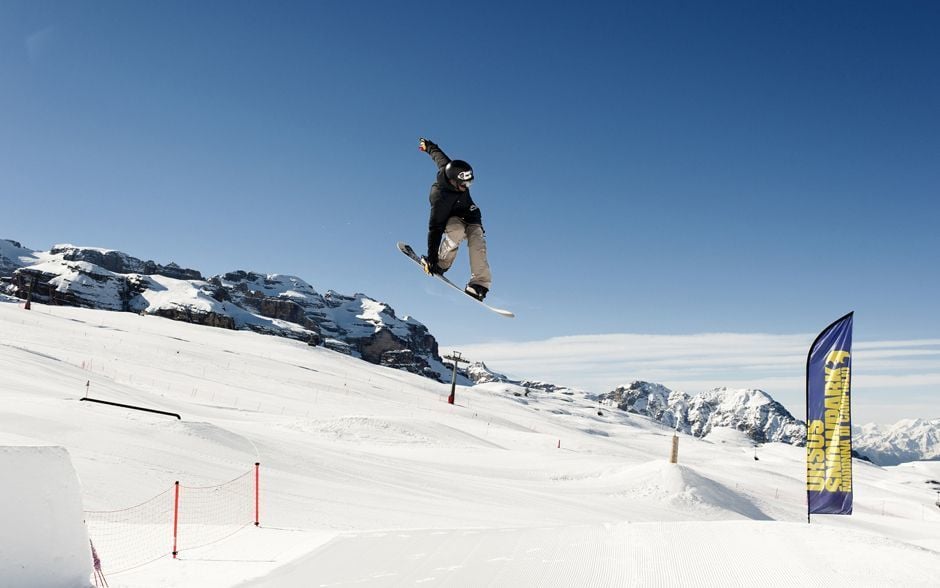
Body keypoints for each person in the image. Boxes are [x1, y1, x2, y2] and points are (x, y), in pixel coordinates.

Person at [417, 137, 492, 301]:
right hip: (452, 219)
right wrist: (431, 259)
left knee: (477, 241)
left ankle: (479, 284)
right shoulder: (439, 198)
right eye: (464, 184)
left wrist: (429, 146)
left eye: (469, 183)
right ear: (452, 181)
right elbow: (435, 229)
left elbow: (438, 155)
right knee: (456, 231)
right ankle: (441, 263)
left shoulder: (450, 168)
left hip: (471, 216)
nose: (467, 187)